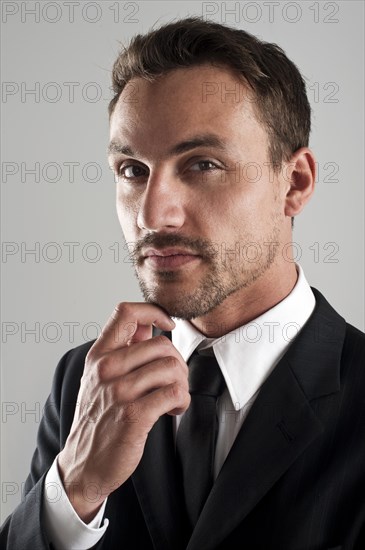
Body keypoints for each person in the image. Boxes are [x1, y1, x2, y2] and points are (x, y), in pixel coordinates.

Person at [1, 16, 364, 550]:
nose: (153, 215)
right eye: (131, 170)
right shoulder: (83, 378)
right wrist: (73, 490)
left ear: (295, 183)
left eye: (202, 164)